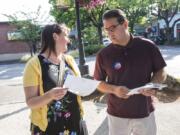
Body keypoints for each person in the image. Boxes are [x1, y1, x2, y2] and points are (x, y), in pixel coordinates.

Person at [94, 9, 167, 135]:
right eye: (107, 29)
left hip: (144, 112)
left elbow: (161, 70)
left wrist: (153, 84)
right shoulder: (103, 55)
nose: (110, 33)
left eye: (113, 28)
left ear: (125, 24)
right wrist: (114, 90)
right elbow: (98, 82)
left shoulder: (147, 46)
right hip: (117, 114)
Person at [23, 24, 84, 135]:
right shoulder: (34, 64)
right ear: (55, 36)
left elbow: (78, 88)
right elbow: (30, 102)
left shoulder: (69, 60)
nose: (68, 41)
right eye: (66, 36)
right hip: (49, 128)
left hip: (74, 123)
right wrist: (49, 95)